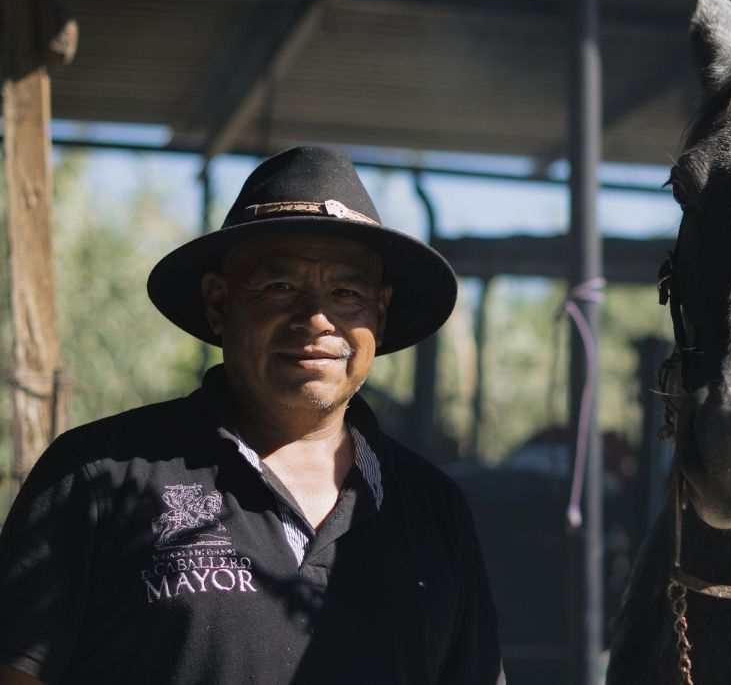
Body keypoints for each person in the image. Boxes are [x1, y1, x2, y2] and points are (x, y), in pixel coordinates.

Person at [0, 146, 503, 684]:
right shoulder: (99, 475)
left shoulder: (433, 508)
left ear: (379, 313)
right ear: (220, 303)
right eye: (280, 286)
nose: (315, 318)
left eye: (346, 291)